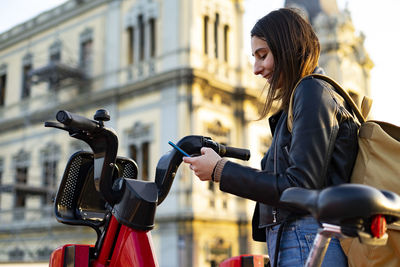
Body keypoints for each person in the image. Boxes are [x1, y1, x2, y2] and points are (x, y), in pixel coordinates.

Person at [183, 8, 359, 267]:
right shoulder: (301, 97)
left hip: (306, 236)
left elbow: (299, 186)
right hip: (298, 237)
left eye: (262, 56)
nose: (256, 69)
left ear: (286, 47)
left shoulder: (312, 91)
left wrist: (220, 170)